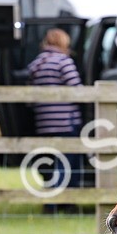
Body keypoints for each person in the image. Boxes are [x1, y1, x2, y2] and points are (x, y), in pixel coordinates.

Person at [26, 28, 83, 190]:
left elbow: (29, 98)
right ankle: (64, 198)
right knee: (67, 164)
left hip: (44, 123)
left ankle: (50, 196)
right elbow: (78, 91)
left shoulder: (35, 64)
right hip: (66, 122)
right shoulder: (63, 62)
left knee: (50, 163)